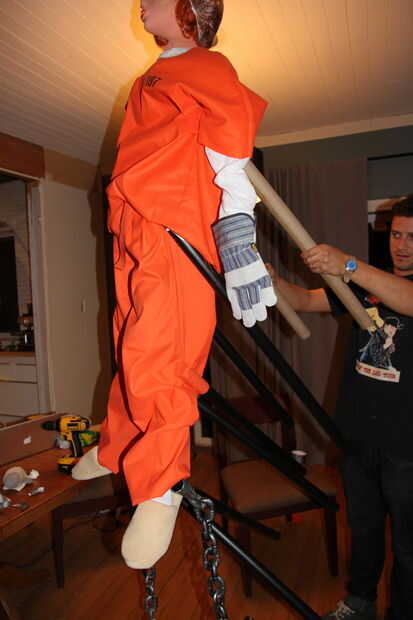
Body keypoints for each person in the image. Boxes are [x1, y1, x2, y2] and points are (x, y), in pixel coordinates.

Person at [72, 0, 276, 570]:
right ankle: (119, 445)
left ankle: (160, 485)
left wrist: (237, 234)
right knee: (127, 344)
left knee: (161, 351)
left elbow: (230, 153)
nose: (143, 3)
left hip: (174, 224)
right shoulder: (154, 75)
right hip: (132, 222)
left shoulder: (206, 66)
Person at [269, 195, 413, 620]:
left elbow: (408, 300)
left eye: (412, 237)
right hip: (358, 436)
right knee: (363, 528)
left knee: (408, 543)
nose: (402, 245)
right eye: (397, 234)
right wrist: (270, 280)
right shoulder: (367, 285)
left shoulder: (379, 282)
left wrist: (347, 264)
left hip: (407, 445)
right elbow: (303, 300)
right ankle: (360, 600)